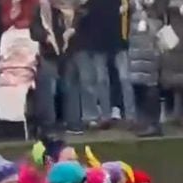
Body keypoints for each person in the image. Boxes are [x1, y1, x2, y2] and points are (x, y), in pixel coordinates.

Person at [30, 0, 81, 134]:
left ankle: (73, 123)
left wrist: (72, 30)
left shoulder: (73, 8)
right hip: (48, 53)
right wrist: (46, 37)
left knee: (70, 87)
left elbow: (82, 20)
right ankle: (48, 125)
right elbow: (34, 30)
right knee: (47, 88)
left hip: (69, 52)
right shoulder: (41, 8)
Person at [75, 0, 124, 130]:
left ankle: (106, 115)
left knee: (102, 78)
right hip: (80, 41)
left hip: (101, 41)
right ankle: (90, 117)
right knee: (86, 80)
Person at [121, 0, 167, 136]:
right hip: (135, 44)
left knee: (150, 84)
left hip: (150, 44)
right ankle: (142, 120)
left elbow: (160, 11)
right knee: (137, 83)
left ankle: (154, 124)